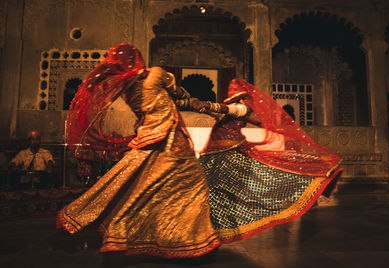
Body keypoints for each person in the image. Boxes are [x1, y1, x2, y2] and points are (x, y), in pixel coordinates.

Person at [56, 43, 221, 258]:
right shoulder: (158, 74)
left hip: (147, 137)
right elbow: (178, 94)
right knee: (191, 183)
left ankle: (120, 232)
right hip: (171, 138)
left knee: (137, 184)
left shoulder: (125, 88)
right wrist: (196, 101)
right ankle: (188, 240)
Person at [189, 79, 342, 243]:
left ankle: (214, 230)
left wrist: (207, 105)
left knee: (221, 190)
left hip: (227, 155)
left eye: (234, 90)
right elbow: (219, 111)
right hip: (215, 154)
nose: (231, 91)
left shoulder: (242, 108)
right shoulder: (231, 109)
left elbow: (228, 110)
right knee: (209, 191)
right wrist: (195, 105)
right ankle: (209, 229)